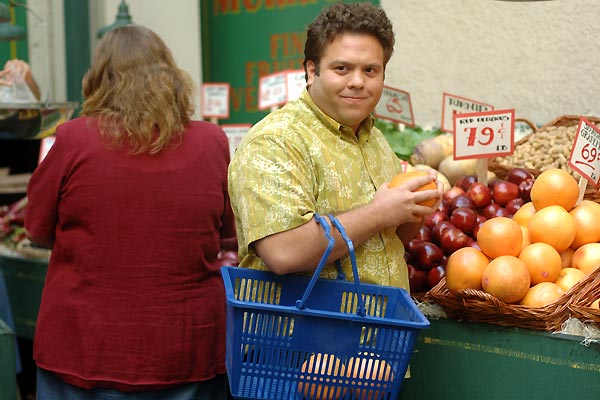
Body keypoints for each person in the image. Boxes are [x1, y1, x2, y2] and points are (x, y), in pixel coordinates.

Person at [25, 25, 235, 400]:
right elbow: (228, 236)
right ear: (170, 74)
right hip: (187, 349)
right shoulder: (212, 142)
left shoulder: (73, 139)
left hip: (84, 350)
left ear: (98, 80)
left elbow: (37, 229)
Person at [228, 3, 442, 291]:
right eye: (342, 68)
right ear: (311, 71)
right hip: (301, 334)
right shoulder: (276, 141)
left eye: (370, 70)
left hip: (377, 331)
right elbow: (284, 252)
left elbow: (383, 240)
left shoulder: (375, 140)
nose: (357, 82)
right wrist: (378, 213)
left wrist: (413, 209)